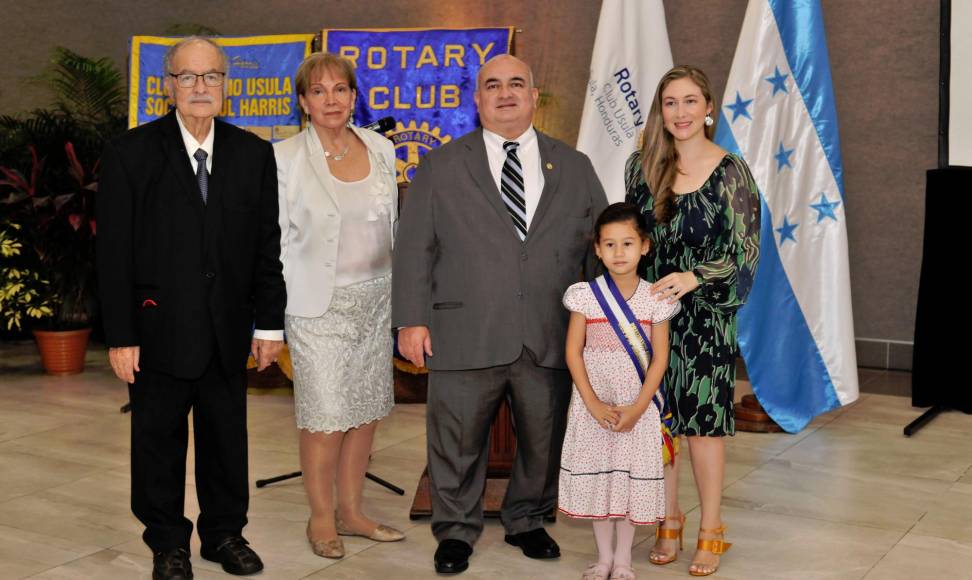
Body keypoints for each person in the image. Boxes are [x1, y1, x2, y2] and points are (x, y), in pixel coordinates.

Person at [392, 54, 609, 575]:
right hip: (463, 329)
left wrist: (604, 328)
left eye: (517, 84)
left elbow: (597, 249)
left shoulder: (574, 166)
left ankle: (528, 520)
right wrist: (410, 320)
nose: (505, 92)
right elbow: (415, 247)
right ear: (477, 99)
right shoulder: (441, 165)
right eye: (493, 85)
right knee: (455, 439)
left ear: (535, 96)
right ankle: (455, 531)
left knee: (544, 436)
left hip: (551, 332)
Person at [96, 36, 286, 579]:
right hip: (156, 332)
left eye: (211, 77)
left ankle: (224, 535)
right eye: (188, 77)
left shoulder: (253, 153)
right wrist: (121, 335)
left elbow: (266, 246)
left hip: (227, 331)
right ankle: (167, 543)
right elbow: (112, 255)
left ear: (227, 85)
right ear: (168, 86)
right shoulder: (130, 153)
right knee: (157, 443)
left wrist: (269, 323)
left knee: (227, 440)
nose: (200, 87)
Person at [625, 65, 760, 577]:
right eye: (670, 103)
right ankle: (668, 518)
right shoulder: (641, 168)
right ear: (661, 112)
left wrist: (695, 276)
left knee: (702, 427)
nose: (680, 113)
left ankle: (712, 528)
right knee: (658, 425)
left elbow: (746, 254)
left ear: (708, 109)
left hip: (705, 318)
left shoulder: (732, 172)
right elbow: (630, 241)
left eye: (689, 102)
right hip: (650, 319)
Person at [272, 52, 403, 560]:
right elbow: (272, 239)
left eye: (341, 89)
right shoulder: (283, 159)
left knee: (366, 412)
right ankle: (321, 518)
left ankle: (353, 511)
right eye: (319, 91)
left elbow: (392, 226)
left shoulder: (381, 148)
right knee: (325, 417)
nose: (332, 99)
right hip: (315, 307)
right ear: (303, 101)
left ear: (354, 96)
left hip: (376, 300)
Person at [559, 203, 679, 580]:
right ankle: (604, 558)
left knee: (629, 480)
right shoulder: (585, 295)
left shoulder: (656, 299)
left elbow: (659, 359)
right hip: (594, 406)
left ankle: (624, 559)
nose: (619, 252)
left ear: (644, 246)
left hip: (636, 408)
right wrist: (592, 402)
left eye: (627, 243)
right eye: (609, 245)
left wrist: (640, 407)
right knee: (598, 479)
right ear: (597, 249)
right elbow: (572, 351)